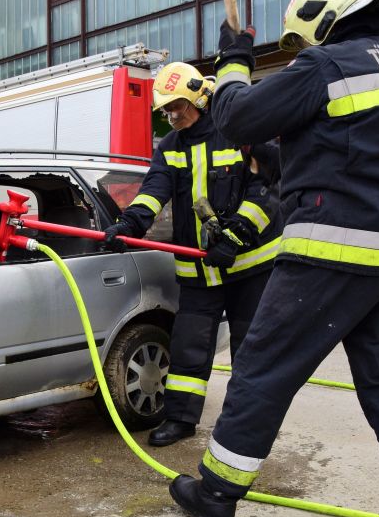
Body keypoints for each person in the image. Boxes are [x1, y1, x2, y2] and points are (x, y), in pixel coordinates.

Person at [168, 0, 379, 517]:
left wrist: (234, 59)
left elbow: (239, 117)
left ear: (320, 21)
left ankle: (216, 496)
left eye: (298, 44)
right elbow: (378, 155)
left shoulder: (328, 64)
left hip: (335, 249)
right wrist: (286, 163)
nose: (298, 55)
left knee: (264, 368)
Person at [103, 61, 282, 448]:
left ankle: (248, 426)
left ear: (200, 98)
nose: (171, 116)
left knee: (249, 347)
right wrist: (130, 225)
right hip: (199, 270)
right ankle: (181, 419)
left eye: (177, 107)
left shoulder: (241, 135)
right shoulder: (169, 148)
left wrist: (235, 237)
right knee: (188, 347)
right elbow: (153, 192)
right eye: (165, 110)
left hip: (248, 268)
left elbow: (266, 193)